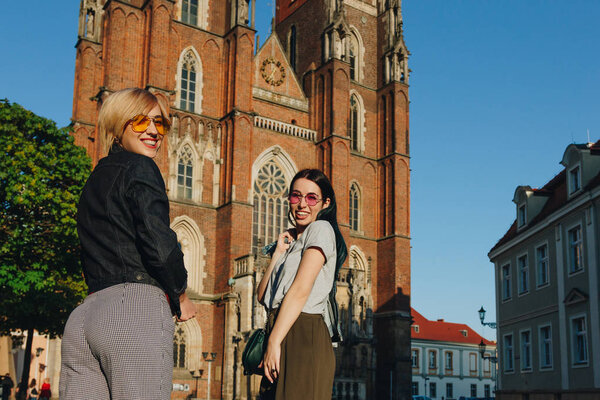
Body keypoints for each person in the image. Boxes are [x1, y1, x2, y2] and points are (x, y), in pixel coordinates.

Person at [60, 88, 196, 400]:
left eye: (159, 124)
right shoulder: (141, 167)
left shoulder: (95, 179)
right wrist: (181, 294)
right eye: (139, 122)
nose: (152, 131)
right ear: (119, 125)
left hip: (85, 317)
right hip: (132, 311)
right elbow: (158, 242)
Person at [257, 169, 347, 400]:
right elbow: (262, 295)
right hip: (280, 328)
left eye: (311, 197)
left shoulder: (321, 229)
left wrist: (274, 341)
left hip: (303, 332)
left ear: (325, 203)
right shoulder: (294, 243)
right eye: (296, 196)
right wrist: (278, 252)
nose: (302, 204)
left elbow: (300, 290)